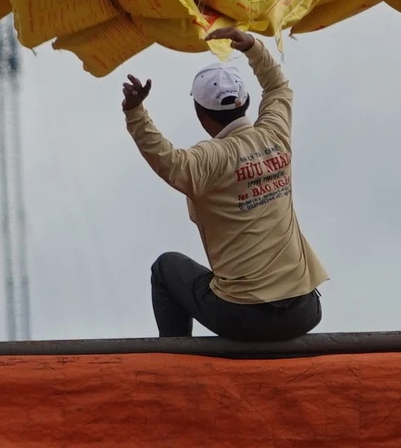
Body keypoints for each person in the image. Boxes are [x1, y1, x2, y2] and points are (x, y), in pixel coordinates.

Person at [120, 26, 327, 340]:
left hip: (244, 318)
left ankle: (175, 360)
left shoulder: (211, 159)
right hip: (303, 312)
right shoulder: (274, 135)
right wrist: (253, 47)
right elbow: (278, 88)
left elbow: (169, 162)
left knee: (165, 268)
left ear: (200, 113)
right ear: (245, 102)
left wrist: (135, 112)